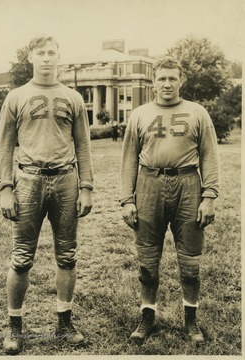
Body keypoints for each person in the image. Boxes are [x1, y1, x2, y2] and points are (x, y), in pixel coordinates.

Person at [0, 35, 93, 354]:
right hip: (29, 180)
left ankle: (64, 322)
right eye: (42, 53)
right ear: (31, 58)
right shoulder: (16, 96)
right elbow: (5, 146)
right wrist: (6, 188)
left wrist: (86, 187)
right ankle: (15, 327)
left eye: (53, 53)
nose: (48, 58)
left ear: (59, 58)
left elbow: (83, 145)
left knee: (67, 254)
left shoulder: (73, 98)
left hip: (65, 179)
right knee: (22, 256)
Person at [120, 56, 219, 345]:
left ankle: (191, 321)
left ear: (181, 81)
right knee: (147, 259)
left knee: (190, 261)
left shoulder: (197, 112)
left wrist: (209, 196)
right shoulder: (139, 113)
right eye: (161, 78)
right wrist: (127, 199)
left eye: (172, 78)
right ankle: (147, 318)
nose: (166, 84)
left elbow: (210, 156)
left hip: (188, 183)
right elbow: (128, 158)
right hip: (148, 183)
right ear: (154, 81)